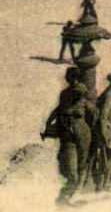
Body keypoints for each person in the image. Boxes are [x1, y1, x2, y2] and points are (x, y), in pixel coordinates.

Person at [42, 69, 97, 204]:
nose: (67, 78)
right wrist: (49, 122)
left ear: (75, 78)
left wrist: (91, 125)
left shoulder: (80, 91)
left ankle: (75, 194)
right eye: (67, 76)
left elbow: (84, 97)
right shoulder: (65, 94)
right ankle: (65, 196)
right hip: (67, 133)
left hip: (82, 132)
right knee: (72, 169)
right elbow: (60, 109)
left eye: (69, 76)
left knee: (82, 164)